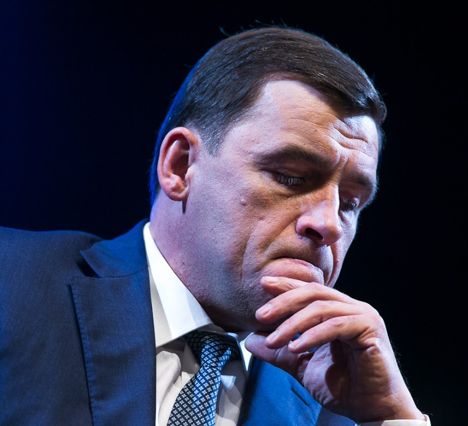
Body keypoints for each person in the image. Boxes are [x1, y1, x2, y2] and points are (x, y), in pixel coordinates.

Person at [0, 27, 429, 425]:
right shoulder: (12, 284)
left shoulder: (346, 407)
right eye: (291, 177)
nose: (329, 224)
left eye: (350, 204)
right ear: (181, 166)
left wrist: (392, 416)